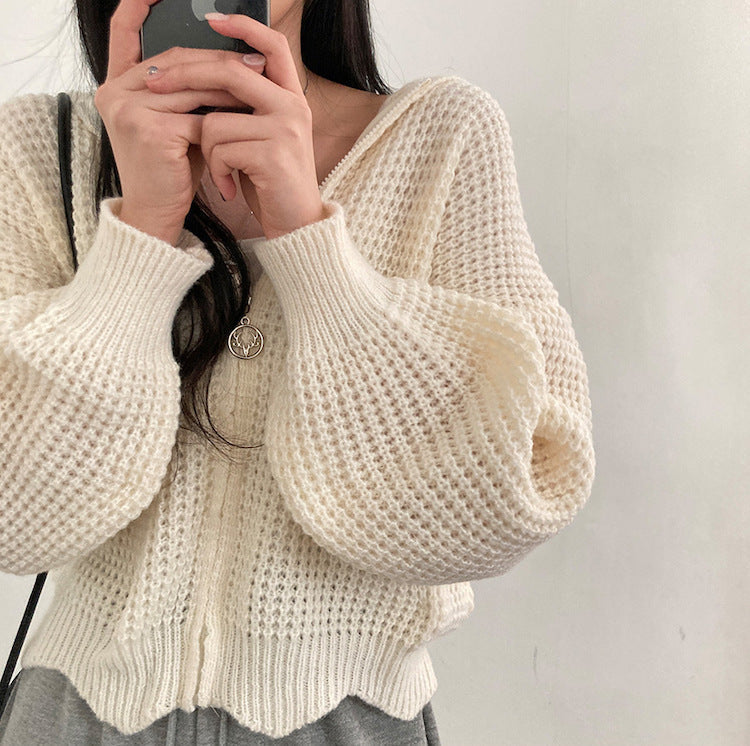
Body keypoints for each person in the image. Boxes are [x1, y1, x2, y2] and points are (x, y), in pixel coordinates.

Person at [0, 0, 597, 742]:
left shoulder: (439, 139)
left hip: (342, 719)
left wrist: (310, 241)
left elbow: (516, 494)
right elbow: (13, 519)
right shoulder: (40, 149)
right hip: (73, 717)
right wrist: (142, 233)